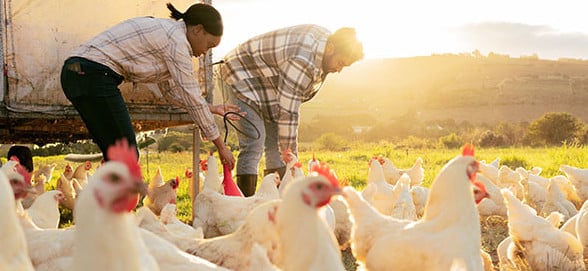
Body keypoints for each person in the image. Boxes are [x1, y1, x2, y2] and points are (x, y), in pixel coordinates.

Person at [60, 2, 238, 168]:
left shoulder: (169, 35)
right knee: (126, 155)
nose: (206, 52)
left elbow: (172, 93)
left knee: (115, 154)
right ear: (198, 30)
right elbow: (192, 96)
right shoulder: (177, 42)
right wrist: (221, 146)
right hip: (92, 74)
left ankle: (99, 199)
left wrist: (210, 108)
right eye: (209, 44)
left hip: (76, 74)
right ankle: (109, 199)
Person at [216, 24, 364, 196]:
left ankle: (275, 204)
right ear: (330, 49)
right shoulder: (302, 61)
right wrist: (292, 158)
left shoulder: (325, 43)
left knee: (276, 147)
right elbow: (288, 112)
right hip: (238, 77)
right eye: (340, 63)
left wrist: (285, 154)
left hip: (266, 88)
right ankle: (243, 207)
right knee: (255, 142)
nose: (339, 70)